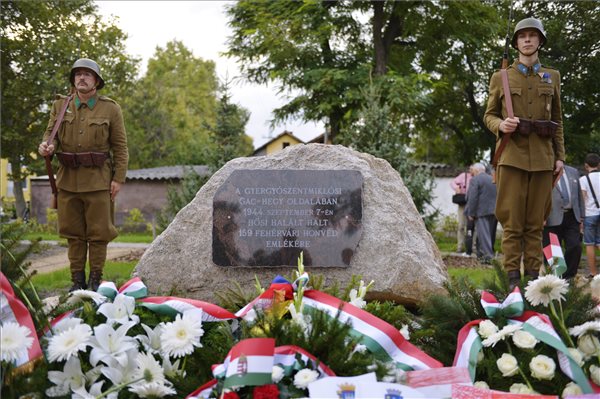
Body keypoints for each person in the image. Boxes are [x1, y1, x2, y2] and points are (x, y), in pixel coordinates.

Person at [483, 17, 565, 288]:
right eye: (522, 36)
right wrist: (501, 125)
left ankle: (533, 280)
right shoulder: (501, 77)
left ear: (540, 41)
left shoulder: (552, 76)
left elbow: (558, 120)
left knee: (535, 224)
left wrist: (560, 157)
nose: (527, 40)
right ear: (516, 42)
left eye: (532, 35)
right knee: (512, 223)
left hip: (543, 159)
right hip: (512, 157)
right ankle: (511, 280)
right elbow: (489, 115)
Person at [38, 58, 128, 291]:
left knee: (98, 235)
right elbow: (50, 136)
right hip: (67, 181)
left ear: (96, 81)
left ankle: (95, 280)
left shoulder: (110, 108)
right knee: (74, 235)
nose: (82, 78)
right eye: (78, 74)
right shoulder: (60, 106)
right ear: (73, 79)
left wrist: (118, 178)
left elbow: (120, 147)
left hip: (98, 181)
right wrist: (46, 146)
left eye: (87, 74)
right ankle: (77, 282)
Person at [542, 164, 584, 279]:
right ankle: (556, 278)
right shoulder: (544, 171)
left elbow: (579, 195)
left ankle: (569, 277)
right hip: (551, 216)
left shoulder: (573, 171)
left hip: (572, 216)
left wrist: (582, 217)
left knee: (575, 246)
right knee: (553, 251)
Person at [464, 163, 498, 263]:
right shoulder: (492, 179)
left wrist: (471, 212)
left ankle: (489, 258)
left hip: (481, 211)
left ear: (477, 170)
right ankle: (482, 255)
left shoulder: (475, 180)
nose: (472, 172)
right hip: (493, 210)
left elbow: (472, 197)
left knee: (484, 235)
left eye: (473, 170)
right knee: (490, 234)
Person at [580, 153, 600, 277]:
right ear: (599, 164)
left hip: (590, 214)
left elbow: (583, 198)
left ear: (586, 166)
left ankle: (593, 272)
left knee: (589, 243)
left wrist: (581, 218)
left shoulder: (583, 179)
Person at [450, 166, 473, 254]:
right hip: (462, 203)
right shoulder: (464, 175)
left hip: (473, 203)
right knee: (461, 226)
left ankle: (472, 246)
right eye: (471, 169)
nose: (471, 171)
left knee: (471, 226)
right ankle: (460, 246)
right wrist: (456, 188)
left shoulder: (477, 177)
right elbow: (453, 182)